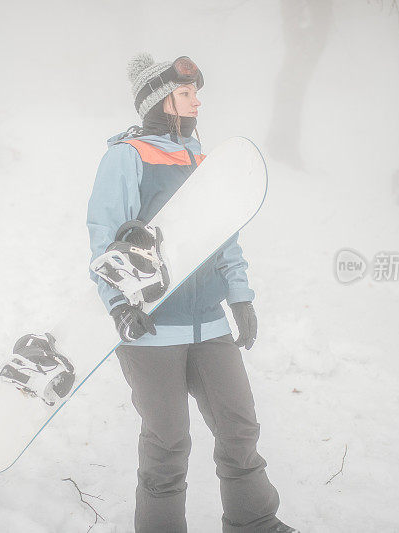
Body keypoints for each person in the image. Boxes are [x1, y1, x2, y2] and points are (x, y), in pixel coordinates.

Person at [86, 53, 295, 533]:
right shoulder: (127, 156)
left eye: (196, 92)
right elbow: (104, 236)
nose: (197, 101)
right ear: (161, 100)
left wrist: (239, 296)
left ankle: (254, 523)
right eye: (186, 93)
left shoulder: (201, 159)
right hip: (152, 325)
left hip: (209, 322)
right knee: (168, 444)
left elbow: (225, 234)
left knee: (239, 427)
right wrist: (119, 304)